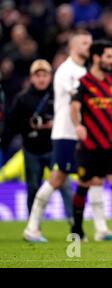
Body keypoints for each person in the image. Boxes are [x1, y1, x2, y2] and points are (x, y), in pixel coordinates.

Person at [23, 30, 107, 243]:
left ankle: (101, 229)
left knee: (95, 176)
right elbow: (78, 102)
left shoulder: (82, 70)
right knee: (57, 178)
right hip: (66, 133)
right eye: (85, 43)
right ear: (74, 46)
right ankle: (32, 228)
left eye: (90, 42)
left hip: (83, 134)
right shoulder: (66, 71)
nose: (89, 46)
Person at [70, 40, 112, 241]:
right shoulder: (83, 84)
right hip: (89, 146)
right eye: (109, 56)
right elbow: (73, 108)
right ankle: (76, 229)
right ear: (96, 58)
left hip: (110, 145)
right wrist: (78, 125)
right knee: (84, 185)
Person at [7, 60, 72, 218]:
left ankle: (74, 222)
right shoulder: (22, 99)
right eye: (38, 75)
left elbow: (71, 117)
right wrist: (29, 124)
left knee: (65, 187)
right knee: (33, 188)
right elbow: (11, 125)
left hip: (55, 149)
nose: (41, 79)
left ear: (50, 77)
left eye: (44, 75)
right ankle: (33, 225)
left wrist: (56, 123)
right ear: (31, 78)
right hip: (32, 150)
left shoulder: (58, 96)